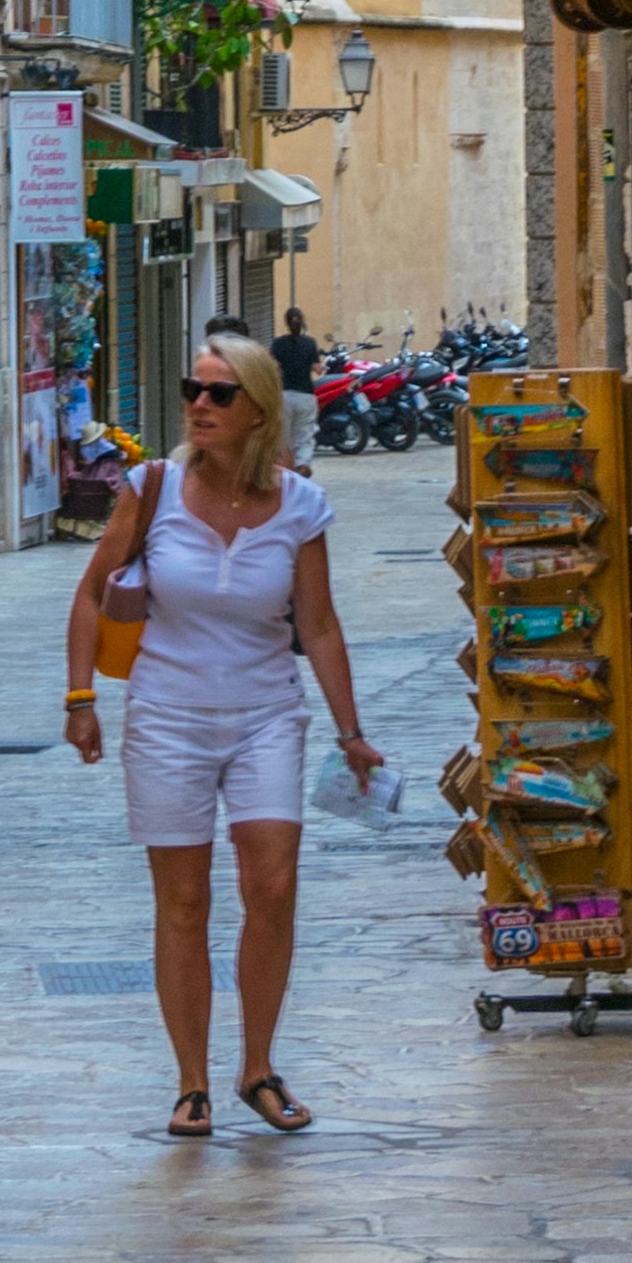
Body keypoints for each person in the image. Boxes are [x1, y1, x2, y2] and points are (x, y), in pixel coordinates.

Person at [62, 320, 378, 1138]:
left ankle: (258, 1066)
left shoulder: (299, 506)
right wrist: (80, 698)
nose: (199, 404)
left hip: (267, 713)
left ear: (258, 409)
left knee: (271, 885)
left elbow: (320, 625)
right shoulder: (153, 485)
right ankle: (192, 1080)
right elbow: (92, 592)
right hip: (166, 715)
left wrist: (350, 730)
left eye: (218, 393)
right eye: (192, 390)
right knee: (185, 899)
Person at [268, 304, 324, 470]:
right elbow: (317, 369)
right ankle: (302, 464)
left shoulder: (278, 344)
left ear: (286, 322)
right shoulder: (310, 343)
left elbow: (272, 366)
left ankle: (286, 468)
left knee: (284, 436)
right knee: (304, 436)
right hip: (306, 395)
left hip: (284, 395)